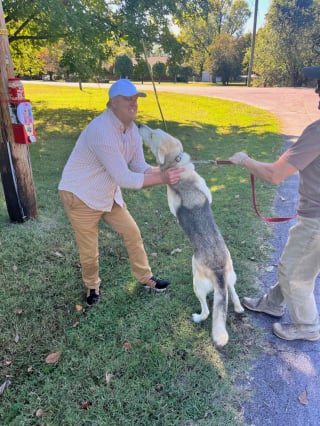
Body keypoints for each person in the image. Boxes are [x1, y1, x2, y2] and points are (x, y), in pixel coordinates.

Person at [58, 79, 184, 306]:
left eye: (136, 98)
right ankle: (92, 286)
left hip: (107, 194)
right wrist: (163, 178)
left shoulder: (132, 129)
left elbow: (140, 167)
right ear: (113, 103)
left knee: (132, 233)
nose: (134, 103)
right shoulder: (101, 130)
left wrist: (165, 169)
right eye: (128, 99)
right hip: (80, 195)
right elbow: (125, 178)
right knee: (90, 250)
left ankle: (146, 278)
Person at [228, 66, 320, 342]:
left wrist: (244, 160)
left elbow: (275, 174)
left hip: (316, 220)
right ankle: (272, 302)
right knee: (298, 264)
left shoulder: (317, 132)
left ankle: (307, 326)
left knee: (295, 273)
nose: (316, 90)